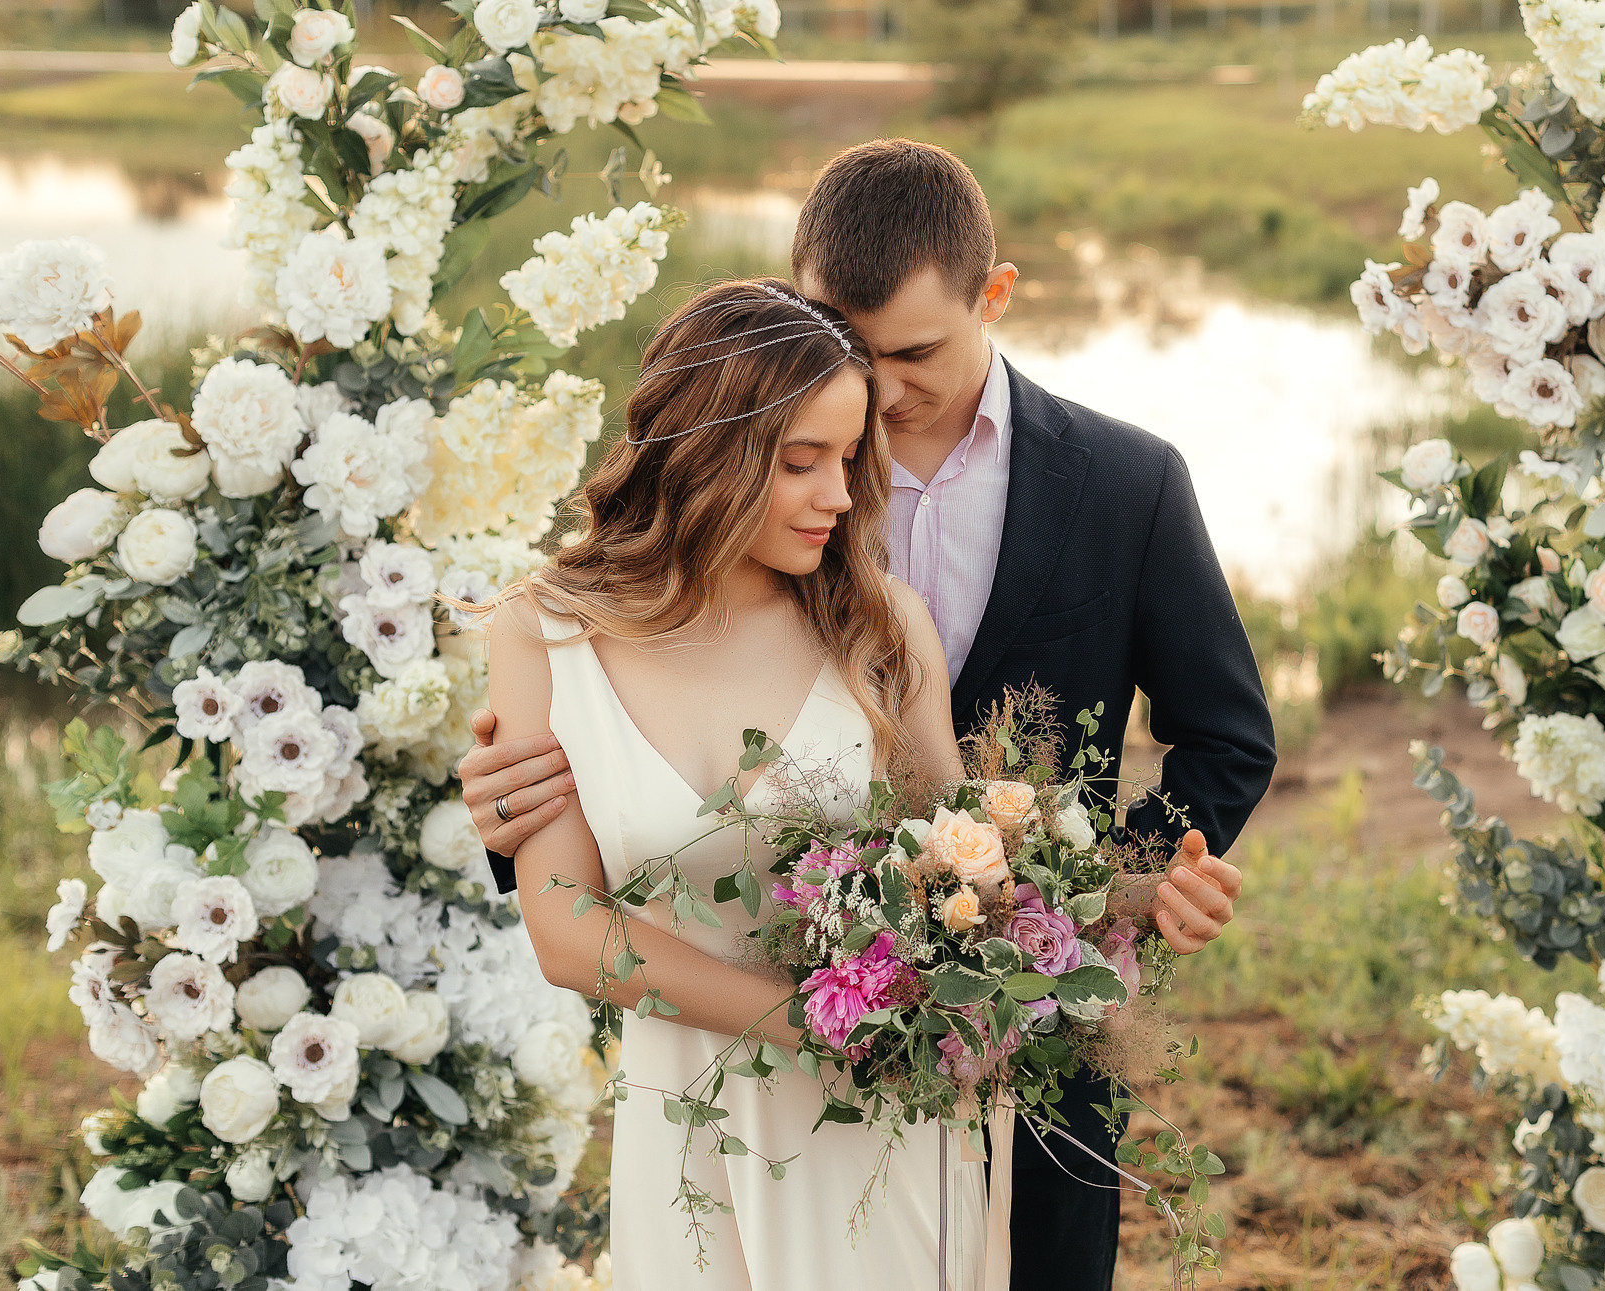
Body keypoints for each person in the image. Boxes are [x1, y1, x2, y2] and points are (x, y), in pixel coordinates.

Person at [466, 140, 1278, 1291]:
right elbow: (578, 876)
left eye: (909, 357)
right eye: (815, 445)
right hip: (710, 1094)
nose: (853, 468)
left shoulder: (1112, 486)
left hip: (967, 1045)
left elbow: (1018, 822)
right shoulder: (568, 618)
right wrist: (520, 803)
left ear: (990, 297)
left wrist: (1116, 906)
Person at [484, 279, 990, 1288]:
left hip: (879, 1126)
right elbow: (564, 929)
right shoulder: (544, 632)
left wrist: (1125, 900)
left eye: (848, 460)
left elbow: (967, 874)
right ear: (704, 451)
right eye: (801, 462)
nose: (839, 497)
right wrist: (801, 1019)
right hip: (686, 1123)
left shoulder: (881, 627)